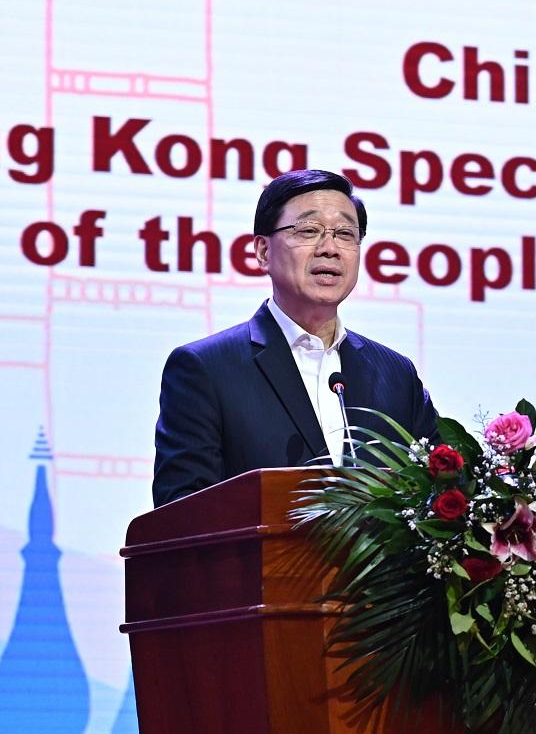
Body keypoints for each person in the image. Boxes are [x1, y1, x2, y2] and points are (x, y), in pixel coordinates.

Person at [151, 169, 438, 507]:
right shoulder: (206, 369)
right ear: (262, 252)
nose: (330, 248)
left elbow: (441, 492)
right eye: (309, 230)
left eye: (346, 233)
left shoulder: (395, 374)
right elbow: (181, 513)